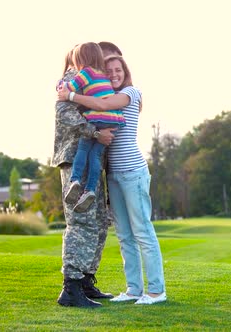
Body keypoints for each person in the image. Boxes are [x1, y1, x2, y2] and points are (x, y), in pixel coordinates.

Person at [58, 54, 167, 305]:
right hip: (114, 174)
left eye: (118, 69)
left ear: (125, 71)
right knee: (124, 234)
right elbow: (97, 104)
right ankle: (133, 289)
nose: (114, 74)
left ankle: (156, 291)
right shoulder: (102, 94)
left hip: (133, 171)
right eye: (109, 71)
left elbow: (105, 105)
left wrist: (70, 95)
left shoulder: (131, 92)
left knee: (142, 231)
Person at [53, 45, 116, 307]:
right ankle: (71, 287)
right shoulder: (71, 80)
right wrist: (94, 132)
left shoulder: (92, 79)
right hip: (75, 158)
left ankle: (87, 281)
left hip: (93, 161)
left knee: (100, 222)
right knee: (80, 222)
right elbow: (64, 113)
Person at [61, 42, 126, 213]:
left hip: (98, 117)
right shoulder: (104, 74)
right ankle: (89, 190)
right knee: (95, 154)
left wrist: (62, 88)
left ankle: (75, 181)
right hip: (113, 119)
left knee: (83, 149)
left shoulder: (86, 72)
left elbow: (69, 88)